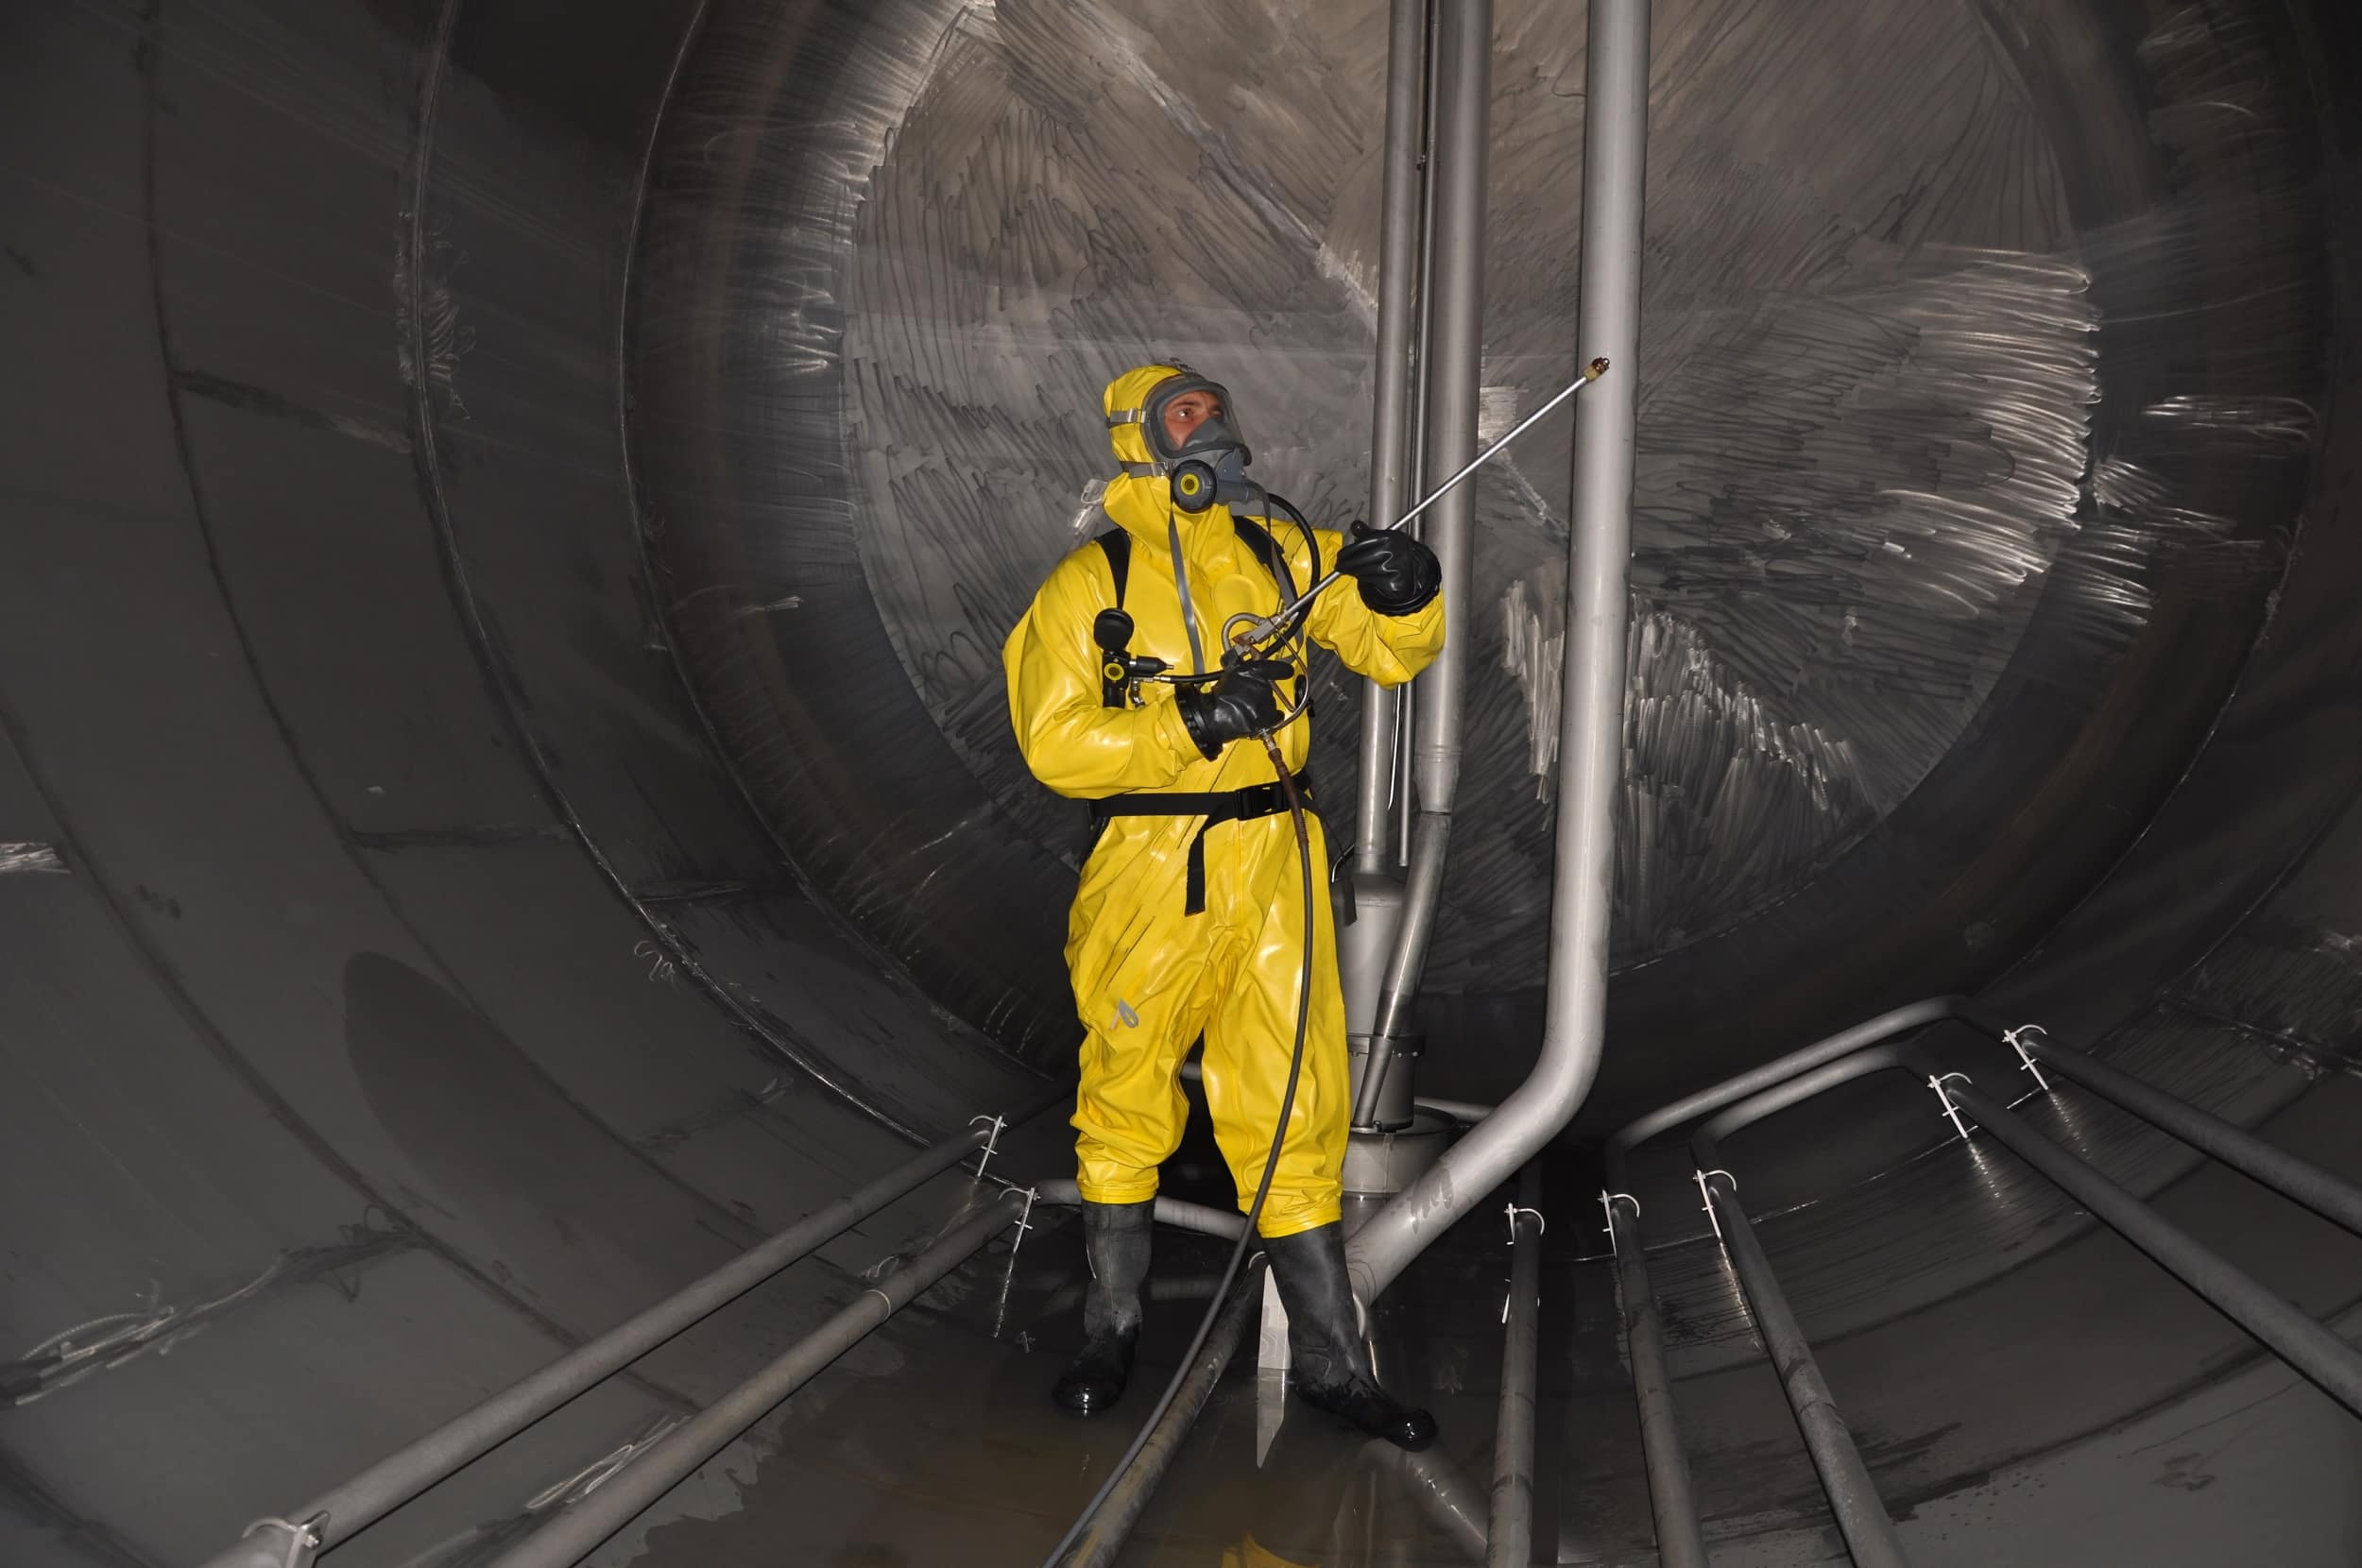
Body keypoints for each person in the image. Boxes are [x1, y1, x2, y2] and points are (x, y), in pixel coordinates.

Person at [1001, 363, 1446, 1450]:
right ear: (1138, 440)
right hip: (1150, 863)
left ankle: (1336, 1364)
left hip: (1278, 858)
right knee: (1125, 1087)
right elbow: (1051, 740)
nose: (1210, 428)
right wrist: (1190, 727)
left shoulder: (1277, 553)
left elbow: (1387, 652)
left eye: (1211, 408)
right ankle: (1110, 1331)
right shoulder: (1091, 582)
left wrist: (1406, 589)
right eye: (1182, 415)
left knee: (1296, 1099)